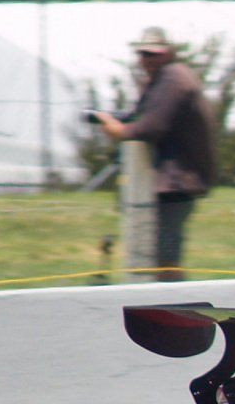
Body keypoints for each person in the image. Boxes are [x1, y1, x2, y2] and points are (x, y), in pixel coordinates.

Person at [92, 27, 218, 282]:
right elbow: (142, 116)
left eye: (153, 54)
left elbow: (152, 126)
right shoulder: (163, 78)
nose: (146, 60)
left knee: (166, 256)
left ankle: (176, 306)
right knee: (160, 252)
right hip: (172, 180)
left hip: (178, 181)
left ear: (168, 53)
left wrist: (118, 130)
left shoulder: (173, 78)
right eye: (143, 54)